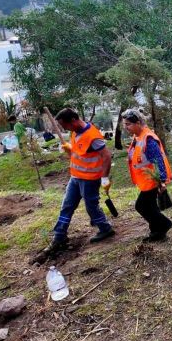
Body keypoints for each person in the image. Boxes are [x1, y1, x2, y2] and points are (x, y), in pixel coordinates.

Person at [47, 108, 115, 252]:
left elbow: (106, 156)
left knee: (91, 206)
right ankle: (59, 236)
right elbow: (80, 152)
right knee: (67, 205)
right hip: (75, 177)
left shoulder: (93, 136)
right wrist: (69, 149)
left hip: (90, 179)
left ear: (73, 120)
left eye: (65, 126)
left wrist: (104, 178)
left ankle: (105, 228)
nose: (65, 129)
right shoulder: (74, 131)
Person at [122, 109, 172, 242]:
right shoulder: (138, 136)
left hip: (153, 180)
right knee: (150, 207)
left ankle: (164, 225)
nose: (125, 127)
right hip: (146, 179)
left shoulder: (148, 138)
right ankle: (156, 232)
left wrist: (161, 181)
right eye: (125, 124)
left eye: (128, 124)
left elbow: (158, 160)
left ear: (138, 122)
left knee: (141, 206)